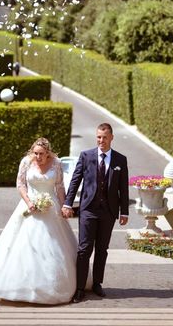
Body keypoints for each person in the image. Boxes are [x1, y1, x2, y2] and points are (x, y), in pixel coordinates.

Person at [0, 137, 77, 304]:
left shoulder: (56, 163)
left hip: (51, 207)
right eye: (36, 153)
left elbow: (59, 186)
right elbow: (20, 184)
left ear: (48, 153)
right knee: (23, 246)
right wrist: (29, 202)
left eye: (42, 154)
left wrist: (64, 206)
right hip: (28, 206)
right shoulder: (26, 162)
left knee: (56, 247)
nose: (38, 157)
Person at [62, 123, 129, 303]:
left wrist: (125, 212)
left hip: (108, 211)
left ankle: (98, 283)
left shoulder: (120, 160)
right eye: (99, 137)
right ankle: (80, 288)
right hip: (88, 210)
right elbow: (75, 181)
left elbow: (123, 188)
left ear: (111, 138)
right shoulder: (86, 156)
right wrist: (68, 203)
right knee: (84, 250)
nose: (101, 140)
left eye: (105, 137)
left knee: (102, 249)